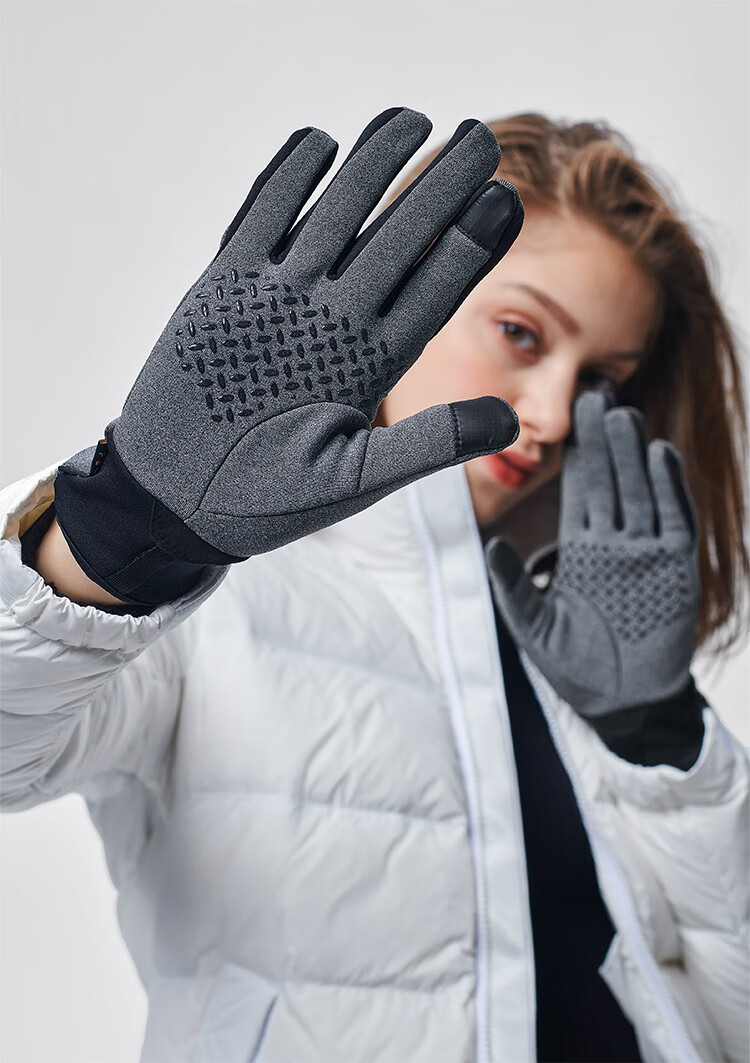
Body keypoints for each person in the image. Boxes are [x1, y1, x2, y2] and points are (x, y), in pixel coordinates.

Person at [1, 107, 747, 1063]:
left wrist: (659, 734)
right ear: (411, 287)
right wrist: (121, 533)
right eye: (522, 333)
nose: (559, 412)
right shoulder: (206, 597)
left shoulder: (592, 642)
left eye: (602, 378)